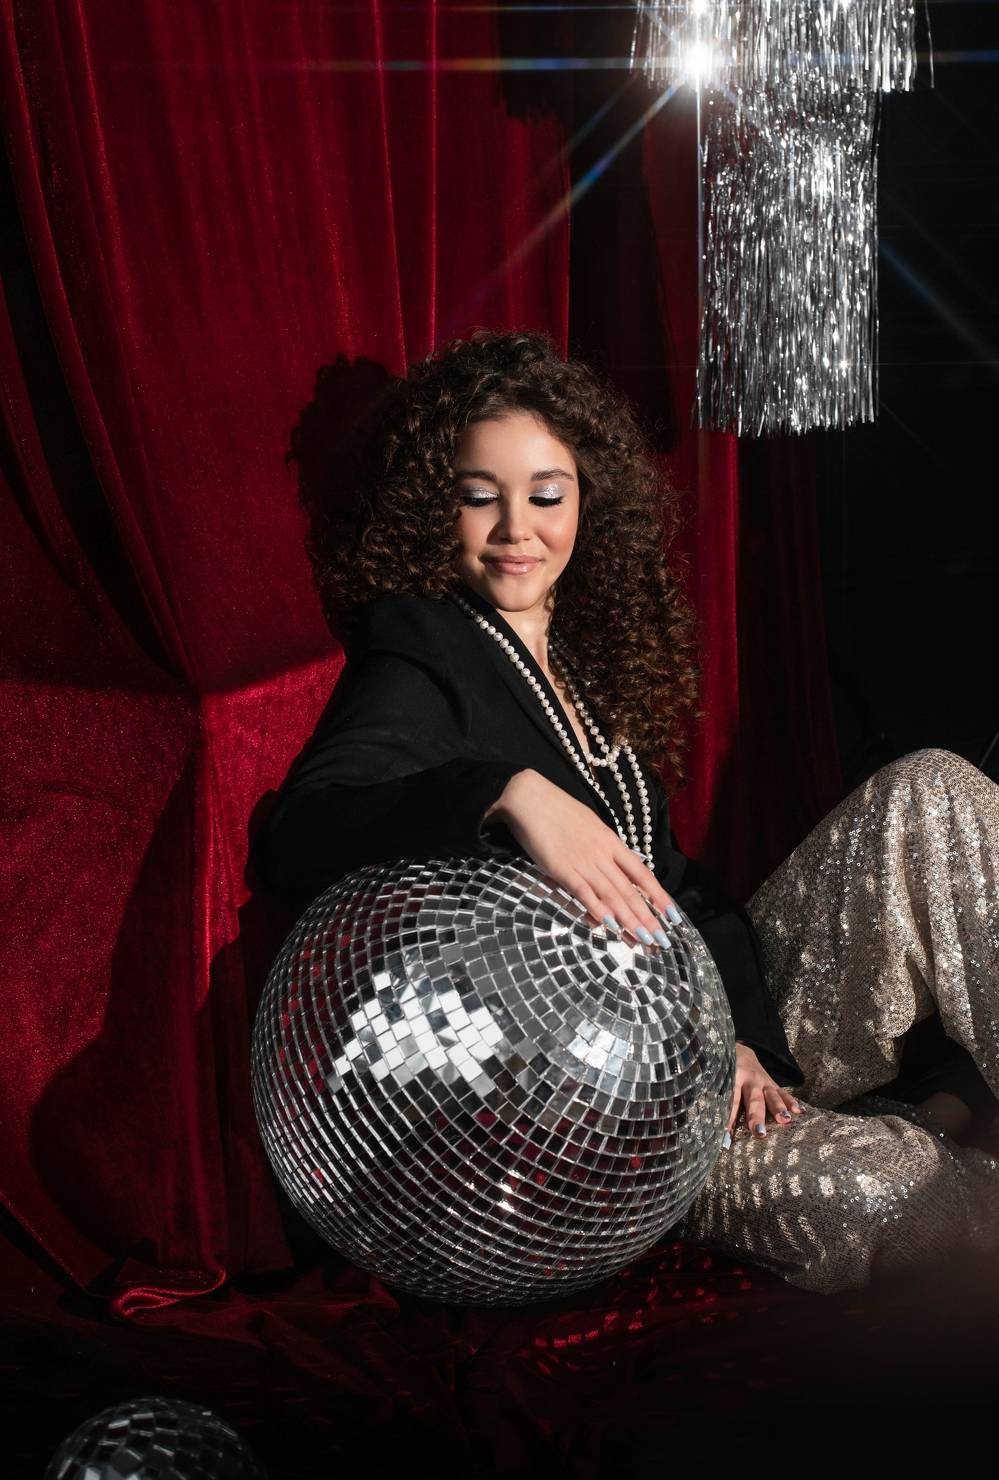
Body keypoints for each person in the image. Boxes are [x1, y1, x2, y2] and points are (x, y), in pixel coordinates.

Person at [252, 328, 999, 1295]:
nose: (515, 528)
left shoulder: (584, 669)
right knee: (876, 1191)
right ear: (437, 508)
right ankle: (931, 1127)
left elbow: (679, 890)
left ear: (584, 502)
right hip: (613, 1113)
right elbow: (304, 831)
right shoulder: (422, 649)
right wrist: (507, 793)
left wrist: (743, 1040)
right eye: (479, 496)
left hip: (712, 1033)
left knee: (933, 787)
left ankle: (928, 1112)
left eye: (544, 495)